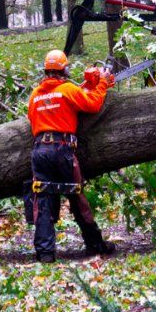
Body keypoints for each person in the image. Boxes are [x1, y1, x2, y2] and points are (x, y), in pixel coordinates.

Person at [27, 49, 116, 263]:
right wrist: (102, 84)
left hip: (40, 150)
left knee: (43, 197)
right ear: (64, 69)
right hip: (62, 150)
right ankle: (95, 244)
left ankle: (45, 252)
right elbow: (93, 104)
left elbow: (33, 119)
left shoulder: (35, 94)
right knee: (77, 197)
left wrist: (87, 88)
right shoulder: (67, 89)